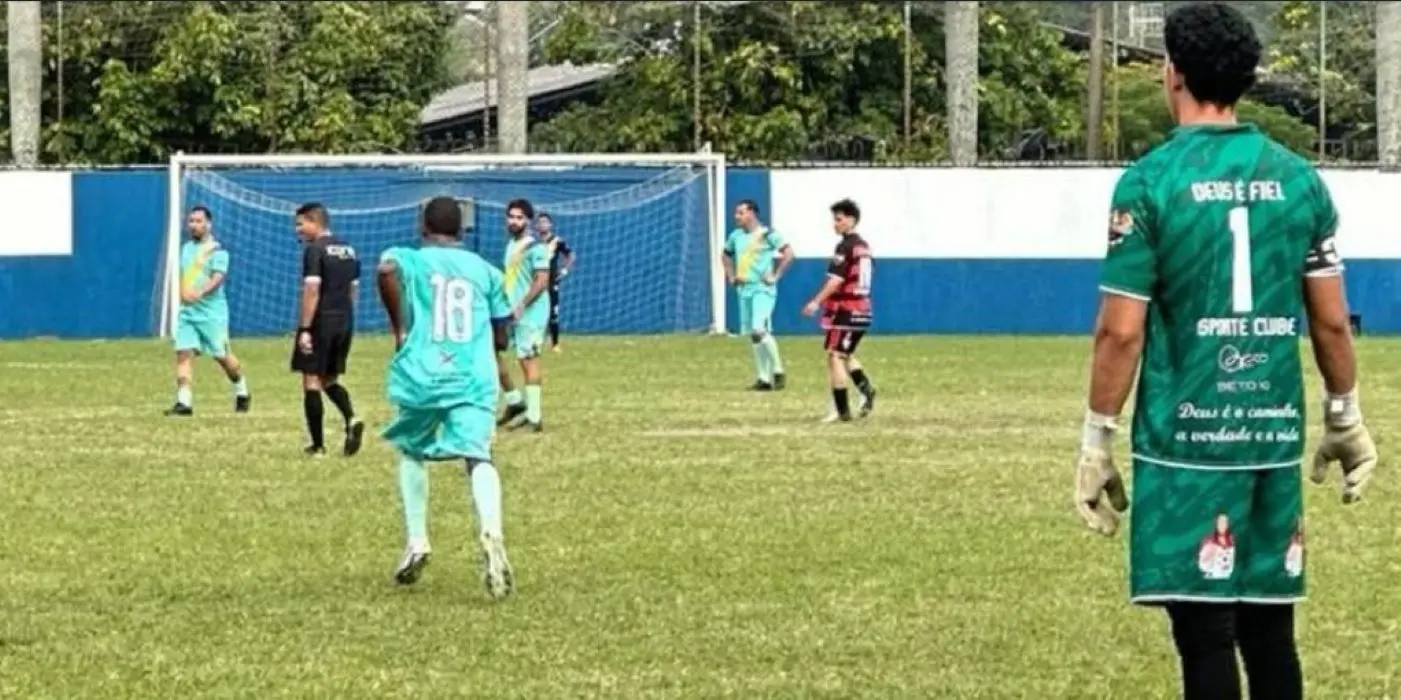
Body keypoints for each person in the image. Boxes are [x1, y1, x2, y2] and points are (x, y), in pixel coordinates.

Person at [1072, 5, 1379, 700]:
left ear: (1171, 73)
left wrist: (1096, 440)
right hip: (1267, 434)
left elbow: (1120, 330)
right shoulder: (1299, 179)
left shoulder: (1148, 182)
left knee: (1204, 637)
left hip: (1187, 441)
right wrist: (1342, 416)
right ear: (1243, 80)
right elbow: (1329, 323)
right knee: (1270, 632)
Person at [377, 196, 514, 599]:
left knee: (411, 449)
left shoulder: (410, 258)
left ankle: (418, 540)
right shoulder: (485, 270)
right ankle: (491, 532)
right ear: (462, 231)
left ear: (423, 228)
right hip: (472, 375)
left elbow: (386, 269)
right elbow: (502, 332)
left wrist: (399, 324)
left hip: (423, 372)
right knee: (479, 455)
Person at [291, 203, 365, 457]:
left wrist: (305, 328)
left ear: (315, 221)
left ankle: (318, 446)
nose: (298, 230)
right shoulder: (349, 250)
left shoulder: (315, 251)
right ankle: (352, 418)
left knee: (311, 379)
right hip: (344, 320)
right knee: (330, 379)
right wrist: (345, 315)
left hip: (321, 321)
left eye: (300, 224)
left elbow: (312, 290)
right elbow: (354, 289)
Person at [165, 205, 251, 415]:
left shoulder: (218, 251)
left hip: (212, 314)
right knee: (183, 353)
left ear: (208, 224)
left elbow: (218, 278)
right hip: (188, 313)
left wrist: (201, 292)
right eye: (191, 221)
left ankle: (241, 389)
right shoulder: (186, 248)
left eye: (198, 221)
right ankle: (184, 403)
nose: (193, 225)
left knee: (222, 356)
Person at [802, 199, 876, 422]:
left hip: (847, 309)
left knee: (835, 356)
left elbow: (836, 280)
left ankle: (842, 411)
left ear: (851, 220)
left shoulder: (845, 247)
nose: (835, 224)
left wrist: (816, 301)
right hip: (863, 308)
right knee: (845, 354)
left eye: (839, 219)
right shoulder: (864, 247)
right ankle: (866, 390)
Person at [721, 200, 792, 390]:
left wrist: (775, 275)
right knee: (753, 335)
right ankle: (763, 378)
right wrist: (731, 275)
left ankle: (778, 370)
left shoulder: (767, 234)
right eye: (736, 213)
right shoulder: (735, 236)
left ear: (752, 213)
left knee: (759, 329)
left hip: (762, 289)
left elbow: (789, 253)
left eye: (741, 212)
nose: (737, 216)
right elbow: (726, 255)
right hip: (744, 289)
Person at [496, 199, 551, 432]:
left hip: (532, 313)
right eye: (511, 217)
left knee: (530, 359)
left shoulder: (536, 248)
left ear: (528, 221)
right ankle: (518, 405)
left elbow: (542, 281)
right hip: (515, 312)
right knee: (520, 358)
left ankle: (535, 417)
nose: (514, 221)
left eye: (519, 218)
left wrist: (522, 304)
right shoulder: (511, 246)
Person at [535, 212, 574, 353]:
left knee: (553, 313)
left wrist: (564, 271)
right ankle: (535, 342)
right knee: (536, 314)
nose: (542, 224)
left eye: (545, 222)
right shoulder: (533, 242)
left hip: (552, 282)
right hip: (536, 282)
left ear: (550, 224)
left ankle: (555, 344)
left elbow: (571, 255)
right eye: (540, 222)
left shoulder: (557, 241)